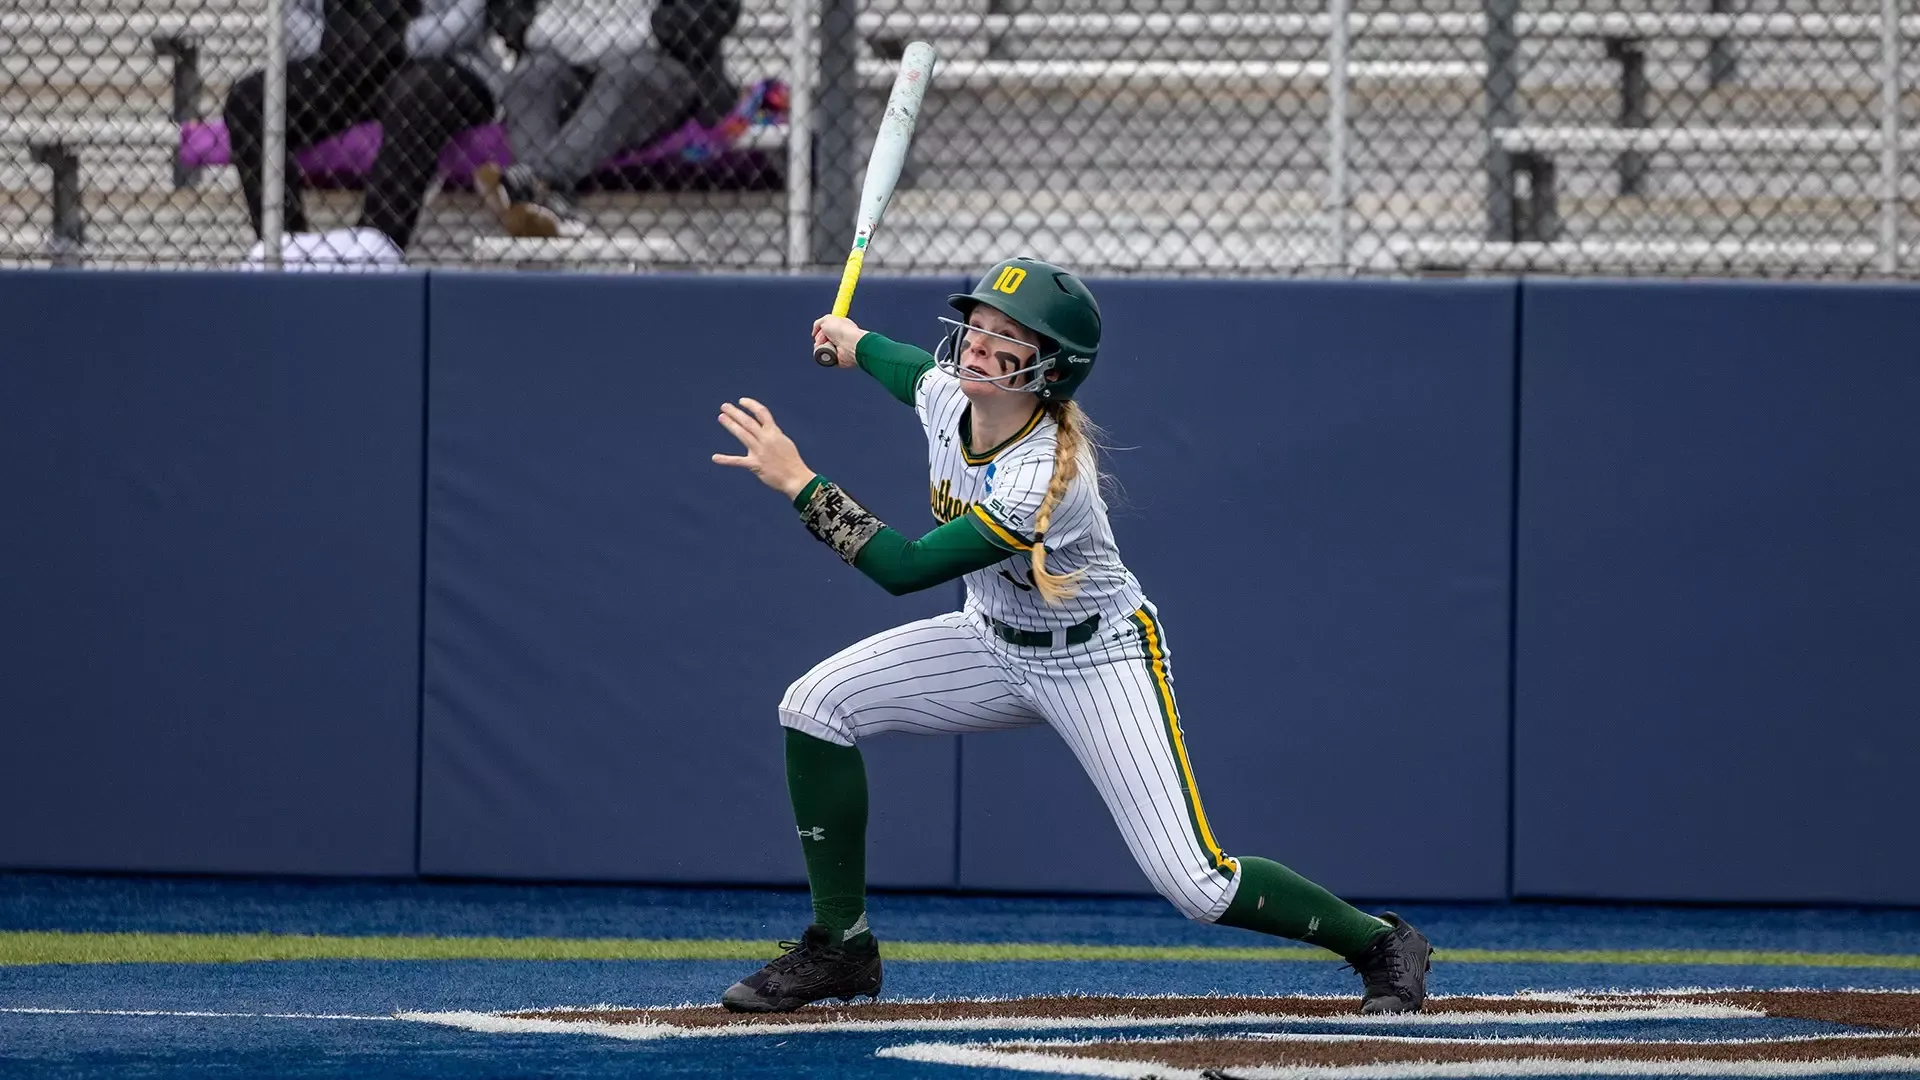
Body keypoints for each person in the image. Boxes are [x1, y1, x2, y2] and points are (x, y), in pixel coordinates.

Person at [709, 257, 1434, 1015]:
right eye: (978, 327)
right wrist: (853, 340)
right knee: (814, 703)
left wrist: (800, 482)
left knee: (1196, 883)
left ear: (1050, 372)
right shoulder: (948, 395)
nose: (979, 347)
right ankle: (841, 947)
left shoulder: (1041, 475)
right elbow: (907, 368)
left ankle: (1379, 941)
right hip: (990, 640)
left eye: (1008, 340)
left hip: (1098, 658)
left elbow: (904, 568)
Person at [223, 0, 502, 254]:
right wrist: (332, 43)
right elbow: (288, 11)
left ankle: (370, 253)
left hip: (439, 61)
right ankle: (287, 252)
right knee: (250, 101)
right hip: (342, 60)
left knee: (416, 94)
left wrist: (404, 40)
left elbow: (469, 15)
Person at [477, 0, 741, 236]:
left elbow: (714, 11)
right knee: (529, 78)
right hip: (561, 57)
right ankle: (542, 205)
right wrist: (527, 27)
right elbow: (506, 9)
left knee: (623, 78)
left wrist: (656, 29)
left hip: (658, 56)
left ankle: (536, 181)